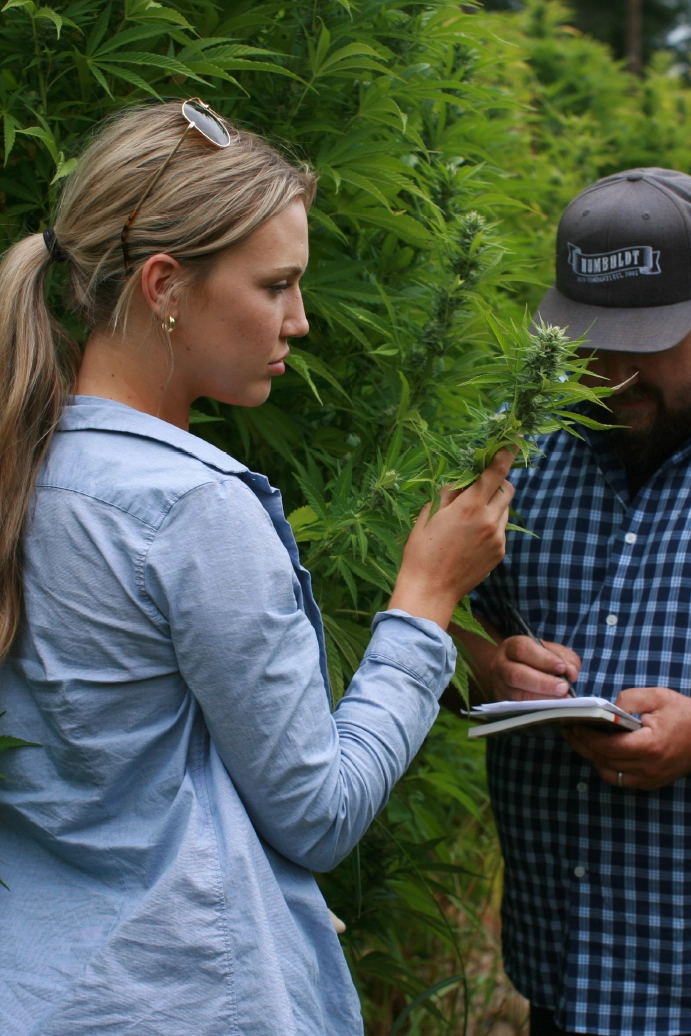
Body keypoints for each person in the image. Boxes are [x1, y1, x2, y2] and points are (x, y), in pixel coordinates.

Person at [0, 100, 516, 1036]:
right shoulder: (192, 508)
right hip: (187, 998)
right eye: (275, 285)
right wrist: (426, 598)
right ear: (164, 284)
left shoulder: (25, 466)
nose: (302, 320)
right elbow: (317, 814)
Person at [459, 169, 691, 1036]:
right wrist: (488, 663)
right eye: (587, 342)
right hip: (559, 976)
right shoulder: (522, 434)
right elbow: (441, 608)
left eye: (642, 343)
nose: (606, 376)